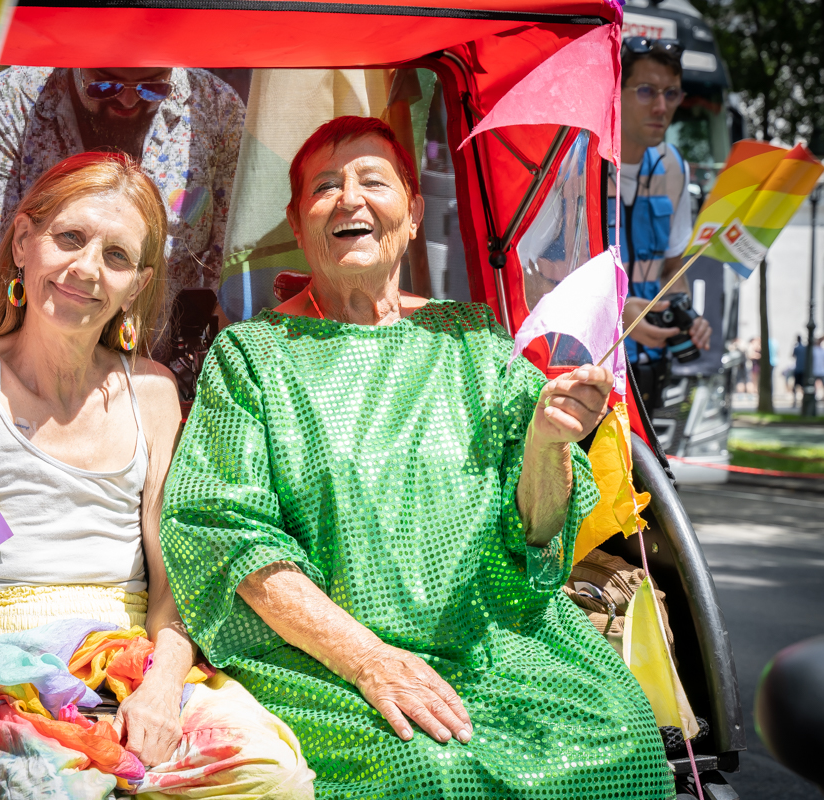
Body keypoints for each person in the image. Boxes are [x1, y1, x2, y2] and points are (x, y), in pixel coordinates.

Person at [162, 117, 674, 798]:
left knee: (622, 741)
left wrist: (547, 445)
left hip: (500, 640)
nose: (349, 198)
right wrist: (367, 659)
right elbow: (226, 535)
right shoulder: (252, 356)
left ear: (412, 215)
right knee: (428, 770)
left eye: (373, 181)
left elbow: (540, 530)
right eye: (324, 187)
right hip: (326, 659)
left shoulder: (472, 339)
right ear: (298, 224)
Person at [0, 152, 312, 795]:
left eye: (116, 255)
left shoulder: (153, 392)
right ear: (23, 241)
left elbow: (172, 585)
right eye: (70, 238)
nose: (87, 268)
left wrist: (161, 687)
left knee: (273, 774)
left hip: (135, 659)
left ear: (138, 283)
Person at [0, 66, 245, 348]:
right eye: (105, 85)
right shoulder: (8, 102)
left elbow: (232, 272)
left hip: (162, 363)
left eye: (153, 87)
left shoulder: (216, 108)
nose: (128, 101)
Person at [609, 37, 711, 409]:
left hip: (651, 373)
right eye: (646, 91)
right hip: (592, 369)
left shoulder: (674, 168)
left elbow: (671, 268)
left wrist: (687, 312)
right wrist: (616, 313)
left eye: (671, 93)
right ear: (615, 92)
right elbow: (542, 275)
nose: (661, 106)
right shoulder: (579, 162)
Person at [792, 335, 808, 406]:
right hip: (804, 369)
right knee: (803, 386)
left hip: (798, 369)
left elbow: (793, 355)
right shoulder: (805, 348)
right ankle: (803, 400)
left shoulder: (796, 348)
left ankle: (795, 401)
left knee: (795, 386)